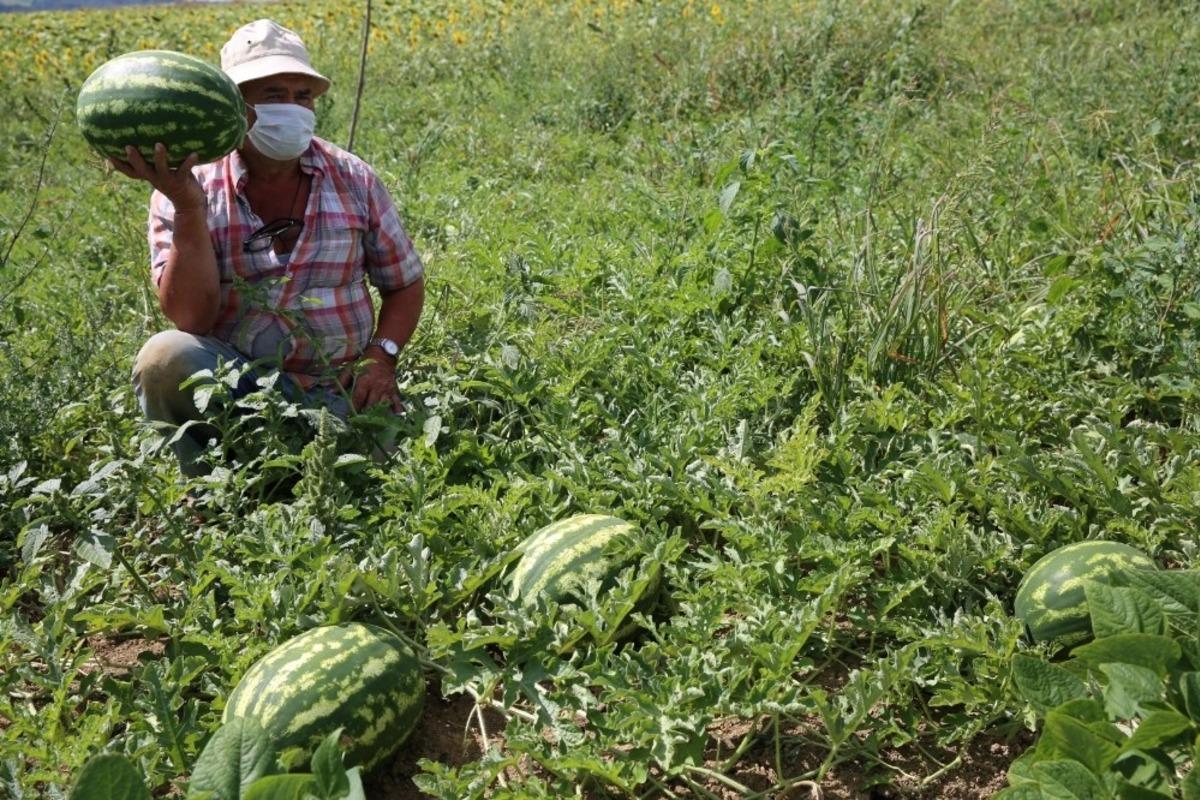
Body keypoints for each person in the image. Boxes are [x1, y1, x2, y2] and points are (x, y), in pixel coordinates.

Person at [113, 19, 425, 476]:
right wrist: (187, 209)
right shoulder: (188, 187)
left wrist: (380, 356)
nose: (293, 110)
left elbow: (404, 285)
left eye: (304, 97)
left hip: (337, 388)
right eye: (274, 95)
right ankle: (215, 482)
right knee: (165, 355)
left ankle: (287, 470)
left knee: (375, 477)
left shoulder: (353, 178)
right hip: (237, 391)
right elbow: (191, 317)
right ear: (232, 107)